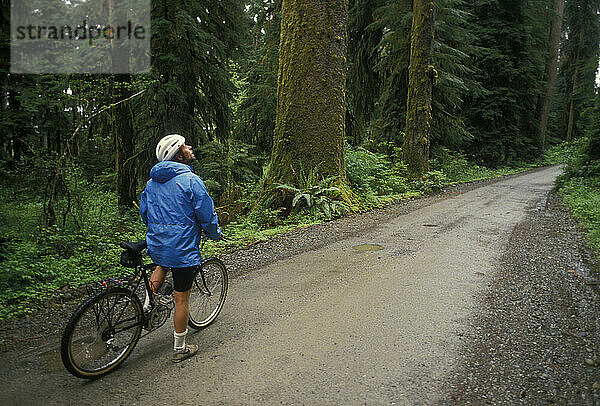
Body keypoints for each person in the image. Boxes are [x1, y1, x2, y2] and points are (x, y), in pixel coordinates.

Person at [139, 134, 222, 363]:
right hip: (183, 248)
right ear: (179, 155)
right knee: (181, 299)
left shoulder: (151, 182)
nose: (190, 147)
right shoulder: (190, 180)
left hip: (157, 242)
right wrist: (215, 233)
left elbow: (145, 213)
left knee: (162, 265)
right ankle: (180, 347)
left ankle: (146, 306)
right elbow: (205, 213)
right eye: (185, 146)